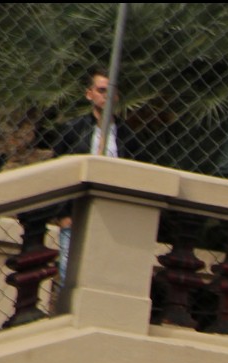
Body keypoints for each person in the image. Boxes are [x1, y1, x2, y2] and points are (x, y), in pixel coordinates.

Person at [46, 68, 141, 296]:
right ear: (89, 94)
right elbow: (57, 172)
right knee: (69, 277)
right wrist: (63, 215)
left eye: (111, 91)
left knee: (105, 280)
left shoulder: (128, 135)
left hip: (112, 217)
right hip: (76, 213)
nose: (106, 96)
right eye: (101, 90)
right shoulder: (72, 130)